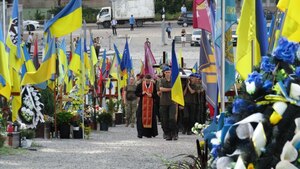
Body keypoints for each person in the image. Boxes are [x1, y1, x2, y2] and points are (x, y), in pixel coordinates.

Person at [135, 74, 158, 138]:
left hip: (151, 105)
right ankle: (140, 133)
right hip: (142, 104)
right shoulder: (140, 85)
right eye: (146, 80)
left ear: (150, 80)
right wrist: (141, 94)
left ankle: (149, 133)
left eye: (149, 80)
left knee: (151, 118)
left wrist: (152, 95)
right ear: (144, 79)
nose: (148, 82)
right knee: (140, 118)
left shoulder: (153, 85)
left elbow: (156, 95)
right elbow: (136, 93)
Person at [159, 66, 178, 140]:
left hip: (172, 103)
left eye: (169, 72)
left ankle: (174, 133)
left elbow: (177, 90)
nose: (167, 74)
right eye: (166, 72)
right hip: (163, 102)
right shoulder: (161, 80)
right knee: (164, 120)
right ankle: (167, 134)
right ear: (164, 73)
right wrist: (171, 89)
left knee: (172, 119)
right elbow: (161, 89)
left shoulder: (174, 81)